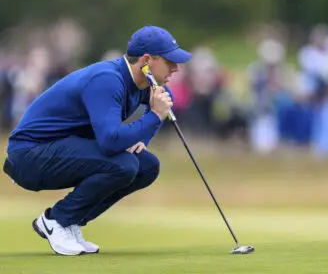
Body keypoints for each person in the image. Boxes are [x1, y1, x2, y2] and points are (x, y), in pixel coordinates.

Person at [2, 25, 191, 256]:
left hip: (58, 148)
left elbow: (165, 98)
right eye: (169, 61)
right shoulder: (107, 80)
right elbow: (110, 142)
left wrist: (144, 137)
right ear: (147, 60)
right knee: (124, 165)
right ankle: (56, 221)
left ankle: (71, 221)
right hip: (30, 154)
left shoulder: (140, 83)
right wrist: (152, 118)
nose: (176, 68)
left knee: (147, 166)